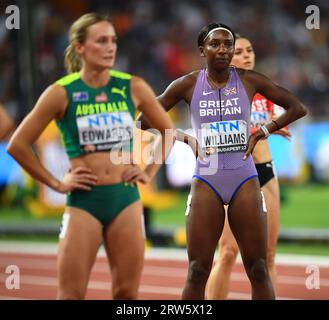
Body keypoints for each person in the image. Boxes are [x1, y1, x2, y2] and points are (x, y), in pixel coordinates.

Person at [7, 13, 174, 300]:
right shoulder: (61, 92)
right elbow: (17, 144)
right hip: (84, 202)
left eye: (113, 41)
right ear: (81, 48)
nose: (110, 47)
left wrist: (148, 171)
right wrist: (55, 183)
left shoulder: (131, 87)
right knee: (70, 294)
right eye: (101, 41)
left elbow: (167, 131)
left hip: (126, 201)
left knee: (127, 295)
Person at [138, 23, 307, 300]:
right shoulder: (188, 84)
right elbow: (143, 120)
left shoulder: (250, 80)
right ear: (201, 50)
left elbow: (297, 108)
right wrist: (186, 138)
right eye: (215, 44)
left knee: (259, 268)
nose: (223, 50)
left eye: (228, 44)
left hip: (244, 177)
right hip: (206, 179)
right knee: (197, 270)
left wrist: (262, 131)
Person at [206, 34, 291, 299]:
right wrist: (264, 128)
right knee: (228, 253)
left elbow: (279, 121)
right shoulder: (216, 91)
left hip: (265, 172)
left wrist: (276, 124)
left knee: (268, 256)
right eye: (239, 51)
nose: (247, 55)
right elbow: (213, 134)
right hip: (232, 174)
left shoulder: (264, 90)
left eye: (250, 50)